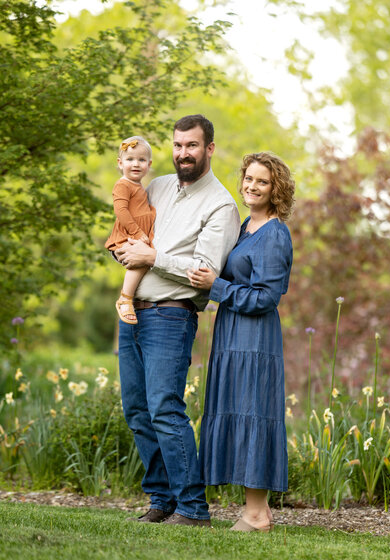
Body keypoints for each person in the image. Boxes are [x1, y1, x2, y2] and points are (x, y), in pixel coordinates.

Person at [114, 115, 241, 526]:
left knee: (165, 409)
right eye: (178, 145)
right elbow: (134, 231)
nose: (183, 153)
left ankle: (192, 508)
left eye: (192, 145)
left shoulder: (221, 205)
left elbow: (204, 270)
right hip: (133, 312)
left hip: (171, 315)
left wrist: (152, 258)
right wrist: (123, 249)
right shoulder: (159, 186)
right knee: (137, 409)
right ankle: (161, 499)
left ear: (210, 149)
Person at [187, 151, 295, 532]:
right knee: (236, 409)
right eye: (248, 178)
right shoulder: (247, 224)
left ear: (275, 188)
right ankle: (256, 511)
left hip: (255, 339)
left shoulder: (275, 233)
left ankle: (255, 513)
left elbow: (266, 297)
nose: (251, 186)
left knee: (253, 412)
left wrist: (215, 287)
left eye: (261, 181)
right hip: (231, 332)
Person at [105, 136, 156, 324]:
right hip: (127, 235)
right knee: (141, 262)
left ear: (149, 164)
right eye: (130, 159)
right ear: (120, 163)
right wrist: (137, 233)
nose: (136, 164)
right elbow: (121, 211)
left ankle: (132, 297)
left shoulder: (139, 186)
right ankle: (125, 299)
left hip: (139, 234)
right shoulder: (123, 185)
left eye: (141, 160)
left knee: (145, 262)